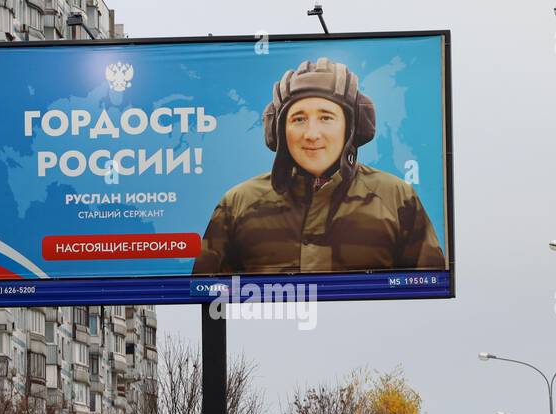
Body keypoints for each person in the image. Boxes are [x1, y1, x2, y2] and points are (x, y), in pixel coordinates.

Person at [191, 57, 446, 275]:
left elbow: (430, 288)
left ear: (353, 125)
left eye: (326, 117)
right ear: (277, 131)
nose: (312, 134)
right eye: (299, 119)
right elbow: (205, 292)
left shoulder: (396, 198)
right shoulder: (238, 204)